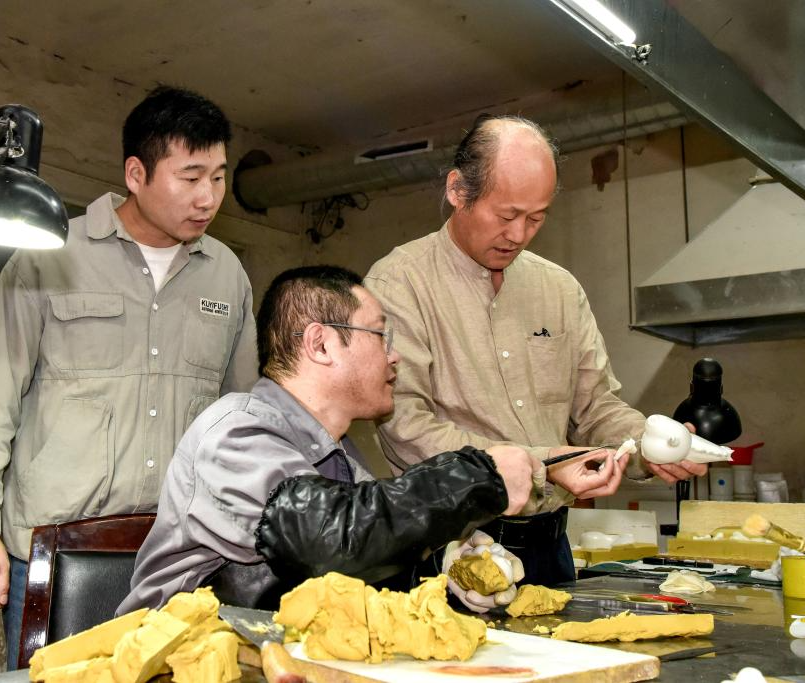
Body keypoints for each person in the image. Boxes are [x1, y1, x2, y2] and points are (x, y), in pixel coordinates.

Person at [0, 86, 258, 669]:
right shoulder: (48, 254)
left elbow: (239, 421)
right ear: (136, 174)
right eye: (191, 177)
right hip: (52, 552)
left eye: (218, 178)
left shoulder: (227, 276)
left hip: (178, 560)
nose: (208, 197)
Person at [118, 265, 617, 615]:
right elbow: (327, 541)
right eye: (381, 336)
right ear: (320, 344)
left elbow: (359, 562)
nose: (395, 357)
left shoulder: (338, 456)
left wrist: (448, 571)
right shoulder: (235, 431)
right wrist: (477, 475)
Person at [364, 114, 706, 586]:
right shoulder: (399, 284)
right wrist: (546, 462)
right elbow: (406, 427)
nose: (520, 235)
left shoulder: (558, 288)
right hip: (450, 552)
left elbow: (594, 407)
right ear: (457, 190)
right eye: (506, 216)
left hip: (551, 548)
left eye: (537, 218)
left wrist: (649, 445)